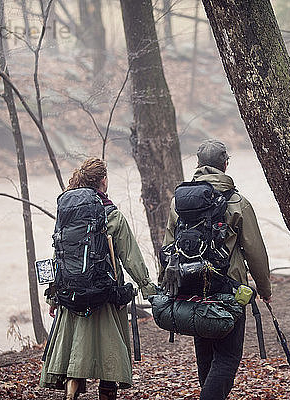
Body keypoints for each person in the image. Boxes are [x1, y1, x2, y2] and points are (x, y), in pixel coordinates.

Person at [161, 139, 272, 400]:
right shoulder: (237, 201)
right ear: (225, 165)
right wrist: (265, 289)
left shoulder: (180, 202)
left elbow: (168, 246)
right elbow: (255, 250)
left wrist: (169, 285)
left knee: (206, 354)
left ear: (198, 165)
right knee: (228, 357)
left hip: (191, 287)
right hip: (229, 289)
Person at [40, 158, 156, 400]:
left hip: (70, 297)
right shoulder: (112, 215)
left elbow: (58, 255)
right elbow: (131, 257)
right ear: (103, 180)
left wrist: (53, 296)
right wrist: (149, 289)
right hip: (105, 298)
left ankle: (71, 396)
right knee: (109, 359)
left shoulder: (68, 214)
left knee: (75, 354)